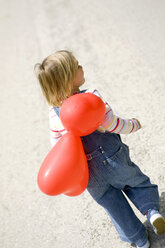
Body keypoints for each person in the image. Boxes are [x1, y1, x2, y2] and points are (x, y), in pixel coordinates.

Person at [34, 50, 165, 248]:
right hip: (112, 157)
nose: (81, 67)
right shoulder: (90, 97)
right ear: (69, 78)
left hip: (88, 175)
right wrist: (133, 124)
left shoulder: (53, 114)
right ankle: (151, 211)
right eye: (77, 66)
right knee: (134, 182)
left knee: (112, 204)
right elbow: (113, 124)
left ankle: (139, 240)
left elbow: (58, 147)